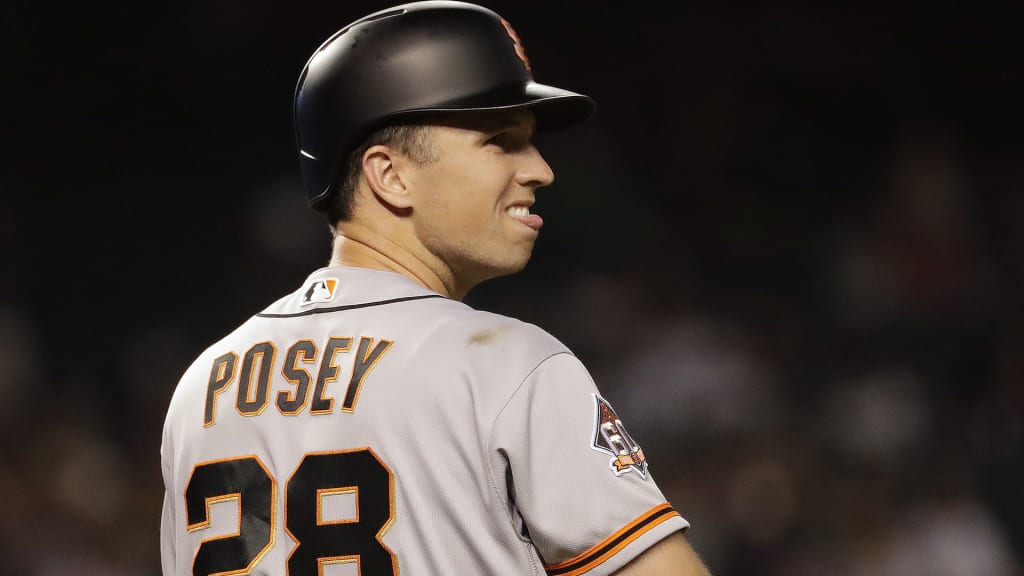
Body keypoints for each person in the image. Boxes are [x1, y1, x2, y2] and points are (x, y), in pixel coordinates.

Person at [160, 2, 712, 575]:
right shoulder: (505, 365)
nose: (541, 169)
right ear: (391, 174)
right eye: (501, 140)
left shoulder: (200, 389)